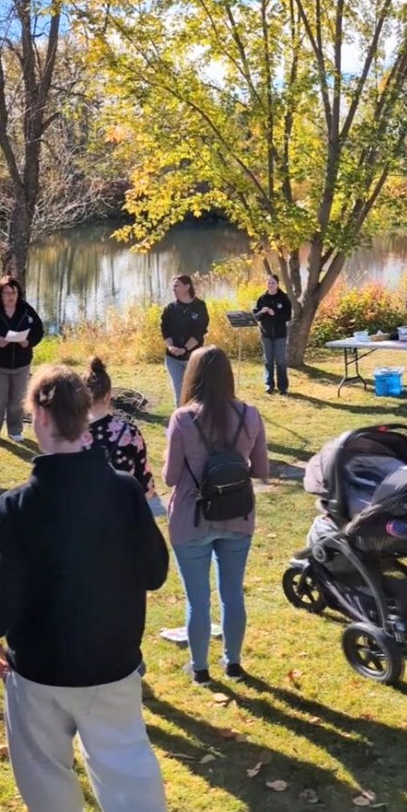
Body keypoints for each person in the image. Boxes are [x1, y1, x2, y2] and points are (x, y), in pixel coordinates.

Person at [0, 366, 192, 812]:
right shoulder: (123, 492)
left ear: (43, 418)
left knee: (45, 769)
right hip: (109, 658)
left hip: (41, 669)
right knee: (125, 759)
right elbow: (155, 570)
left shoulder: (17, 507)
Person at [163, 346, 270, 684]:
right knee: (232, 593)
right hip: (237, 515)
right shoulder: (250, 414)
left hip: (191, 517)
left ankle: (200, 670)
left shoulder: (183, 418)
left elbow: (169, 477)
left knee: (198, 599)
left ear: (192, 377)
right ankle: (233, 664)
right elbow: (262, 469)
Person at [82, 357, 161, 514]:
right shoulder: (129, 432)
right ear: (108, 396)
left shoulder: (69, 435)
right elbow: (146, 486)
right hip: (123, 516)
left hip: (84, 519)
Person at [0, 275, 44, 443]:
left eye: (14, 292)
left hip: (21, 364)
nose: (11, 296)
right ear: (0, 294)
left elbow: (39, 331)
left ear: (18, 293)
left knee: (17, 401)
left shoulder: (26, 310)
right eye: (6, 293)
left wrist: (29, 341)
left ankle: (15, 430)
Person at [160, 274, 210, 404]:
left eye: (177, 286)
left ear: (187, 287)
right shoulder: (170, 309)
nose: (174, 289)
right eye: (173, 286)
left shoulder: (199, 307)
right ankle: (181, 421)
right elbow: (165, 329)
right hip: (173, 359)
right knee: (180, 392)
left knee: (195, 391)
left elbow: (199, 332)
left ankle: (198, 419)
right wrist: (171, 347)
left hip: (193, 357)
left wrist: (184, 349)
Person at [255, 274, 292, 394]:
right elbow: (256, 316)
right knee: (268, 361)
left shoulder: (283, 298)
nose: (270, 285)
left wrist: (274, 313)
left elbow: (287, 316)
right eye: (269, 282)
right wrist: (262, 312)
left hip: (280, 335)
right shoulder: (262, 298)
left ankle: (283, 387)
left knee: (281, 361)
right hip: (266, 335)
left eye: (273, 283)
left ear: (277, 284)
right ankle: (269, 385)